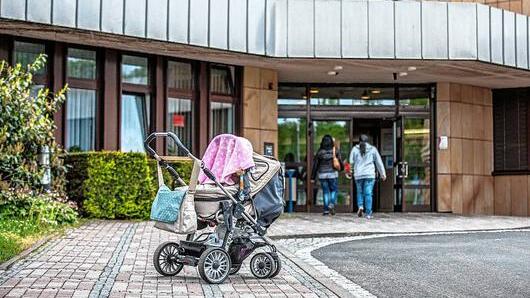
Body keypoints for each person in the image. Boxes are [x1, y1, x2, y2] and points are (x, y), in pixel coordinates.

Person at [349, 134, 386, 219]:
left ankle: (360, 206)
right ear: (368, 141)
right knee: (368, 193)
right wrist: (382, 174)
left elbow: (351, 162)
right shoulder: (373, 149)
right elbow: (378, 162)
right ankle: (368, 213)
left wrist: (350, 172)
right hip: (369, 175)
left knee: (360, 192)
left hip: (358, 175)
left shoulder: (354, 149)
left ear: (359, 141)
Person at [311, 135, 342, 215]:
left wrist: (312, 177)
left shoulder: (320, 152)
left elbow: (315, 165)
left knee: (325, 192)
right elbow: (340, 161)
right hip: (332, 174)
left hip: (322, 174)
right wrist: (341, 169)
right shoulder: (335, 151)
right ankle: (331, 204)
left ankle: (326, 210)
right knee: (334, 190)